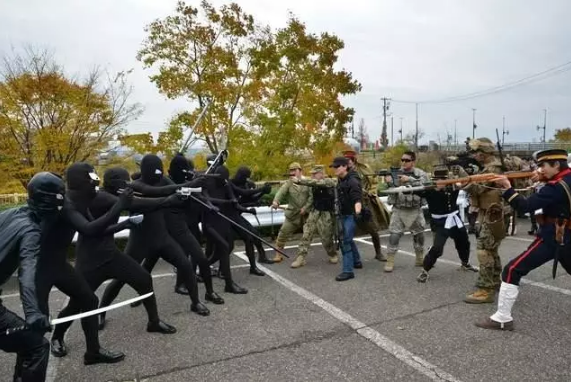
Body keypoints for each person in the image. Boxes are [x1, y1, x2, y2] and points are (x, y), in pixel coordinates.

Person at [51, 166, 178, 340]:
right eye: (125, 182)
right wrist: (169, 200)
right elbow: (136, 204)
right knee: (76, 304)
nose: (128, 185)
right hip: (90, 261)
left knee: (143, 279)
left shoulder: (103, 196)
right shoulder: (100, 197)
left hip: (111, 254)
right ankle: (57, 336)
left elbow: (109, 223)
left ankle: (153, 322)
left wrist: (125, 224)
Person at [36, 163, 127, 364]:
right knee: (38, 320)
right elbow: (88, 229)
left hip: (60, 265)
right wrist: (120, 205)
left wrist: (124, 222)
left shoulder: (74, 203)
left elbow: (93, 228)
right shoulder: (58, 206)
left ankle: (93, 352)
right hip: (39, 269)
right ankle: (31, 365)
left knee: (89, 300)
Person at [99, 154, 210, 317]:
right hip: (140, 241)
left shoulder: (163, 180)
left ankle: (196, 302)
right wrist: (184, 188)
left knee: (186, 266)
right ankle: (101, 313)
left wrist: (189, 189)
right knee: (121, 278)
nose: (158, 177)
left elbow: (175, 190)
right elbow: (157, 191)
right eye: (154, 173)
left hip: (162, 237)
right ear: (145, 171)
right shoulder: (135, 185)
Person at [475, 149, 571, 330]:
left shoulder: (555, 187)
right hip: (567, 234)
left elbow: (524, 207)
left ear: (556, 165)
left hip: (554, 235)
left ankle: (502, 318)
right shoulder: (563, 180)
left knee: (512, 270)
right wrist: (544, 178)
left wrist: (506, 187)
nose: (540, 169)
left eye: (543, 165)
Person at [0, 172, 62, 382]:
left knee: (25, 344)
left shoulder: (9, 214)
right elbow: (26, 273)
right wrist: (33, 313)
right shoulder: (31, 230)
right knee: (37, 345)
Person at [164, 154, 224, 303]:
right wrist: (190, 184)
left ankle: (208, 292)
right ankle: (179, 285)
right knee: (183, 258)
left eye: (188, 169)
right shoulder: (167, 182)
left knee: (197, 258)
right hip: (174, 227)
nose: (188, 172)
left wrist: (210, 206)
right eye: (184, 169)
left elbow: (200, 196)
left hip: (190, 223)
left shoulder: (189, 181)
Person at [459, 138, 507, 304]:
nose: (474, 154)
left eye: (475, 151)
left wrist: (463, 177)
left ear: (483, 152)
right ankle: (496, 281)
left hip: (494, 214)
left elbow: (479, 188)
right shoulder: (490, 167)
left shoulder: (493, 168)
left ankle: (485, 290)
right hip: (493, 213)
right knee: (491, 249)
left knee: (483, 250)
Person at [415, 168, 477, 283]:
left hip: (455, 219)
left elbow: (469, 183)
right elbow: (410, 190)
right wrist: (405, 183)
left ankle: (465, 263)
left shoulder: (453, 187)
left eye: (444, 179)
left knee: (464, 242)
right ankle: (425, 270)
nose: (441, 182)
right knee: (437, 248)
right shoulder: (428, 190)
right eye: (438, 180)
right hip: (440, 224)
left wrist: (461, 181)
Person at [383, 151, 429, 272]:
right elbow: (389, 190)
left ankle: (420, 257)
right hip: (399, 209)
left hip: (415, 208)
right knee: (394, 235)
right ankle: (390, 260)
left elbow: (426, 185)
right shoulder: (395, 173)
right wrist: (389, 182)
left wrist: (410, 179)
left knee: (419, 235)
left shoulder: (420, 173)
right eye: (402, 160)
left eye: (407, 160)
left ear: (413, 161)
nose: (403, 162)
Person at [343, 150, 390, 261]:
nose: (347, 162)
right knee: (348, 232)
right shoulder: (344, 172)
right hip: (351, 204)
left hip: (366, 203)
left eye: (349, 160)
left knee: (373, 229)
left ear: (353, 160)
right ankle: (353, 257)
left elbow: (374, 181)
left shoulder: (363, 169)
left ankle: (378, 253)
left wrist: (371, 192)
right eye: (345, 160)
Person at [290, 165, 340, 267]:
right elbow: (312, 198)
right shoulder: (314, 185)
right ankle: (301, 257)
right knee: (306, 234)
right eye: (311, 174)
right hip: (315, 211)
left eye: (314, 174)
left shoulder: (329, 181)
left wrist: (299, 181)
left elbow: (315, 182)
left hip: (326, 213)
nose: (312, 176)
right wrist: (305, 208)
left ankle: (332, 253)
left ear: (321, 173)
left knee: (326, 237)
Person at [230, 166, 275, 265]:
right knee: (228, 246)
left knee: (255, 235)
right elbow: (242, 197)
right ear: (240, 175)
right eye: (245, 177)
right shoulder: (230, 184)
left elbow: (251, 198)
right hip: (229, 217)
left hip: (237, 216)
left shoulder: (245, 184)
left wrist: (263, 192)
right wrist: (260, 190)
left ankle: (261, 257)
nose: (246, 179)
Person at [330, 157, 364, 281]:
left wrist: (357, 212)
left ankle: (348, 271)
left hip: (351, 214)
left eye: (337, 166)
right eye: (334, 166)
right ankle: (357, 261)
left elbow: (357, 199)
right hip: (342, 214)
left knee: (345, 241)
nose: (335, 169)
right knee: (348, 238)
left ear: (345, 167)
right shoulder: (340, 180)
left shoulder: (353, 181)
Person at [271, 163, 312, 262]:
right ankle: (278, 254)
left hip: (307, 216)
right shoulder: (289, 183)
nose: (292, 173)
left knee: (318, 235)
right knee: (283, 233)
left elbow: (312, 197)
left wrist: (306, 208)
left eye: (294, 170)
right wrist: (276, 201)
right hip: (293, 215)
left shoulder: (308, 182)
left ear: (300, 170)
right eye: (291, 170)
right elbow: (281, 192)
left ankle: (331, 253)